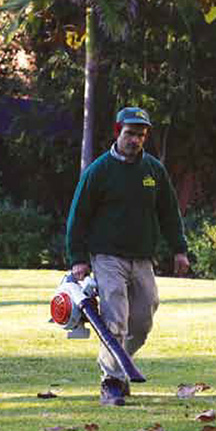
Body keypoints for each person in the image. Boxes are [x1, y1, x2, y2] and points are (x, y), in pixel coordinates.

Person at [65, 106, 190, 406]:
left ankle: (118, 365)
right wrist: (78, 257)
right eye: (130, 133)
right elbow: (77, 216)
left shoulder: (153, 171)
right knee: (115, 320)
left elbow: (169, 212)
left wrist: (179, 249)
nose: (136, 140)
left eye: (141, 135)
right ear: (117, 132)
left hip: (142, 258)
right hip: (107, 257)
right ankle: (111, 382)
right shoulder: (99, 171)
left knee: (143, 321)